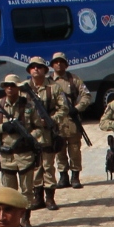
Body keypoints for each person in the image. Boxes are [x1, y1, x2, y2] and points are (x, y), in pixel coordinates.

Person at [22, 57, 67, 210]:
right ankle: (37, 197)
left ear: (45, 70)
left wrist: (51, 120)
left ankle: (50, 198)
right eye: (33, 67)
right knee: (35, 166)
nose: (36, 69)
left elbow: (64, 108)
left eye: (39, 67)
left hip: (48, 133)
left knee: (48, 166)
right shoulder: (24, 88)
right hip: (32, 133)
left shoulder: (54, 87)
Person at [0, 75, 43, 201]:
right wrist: (3, 127)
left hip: (25, 156)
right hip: (7, 157)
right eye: (7, 85)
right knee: (9, 194)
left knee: (27, 192)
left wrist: (29, 137)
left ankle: (25, 219)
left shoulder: (28, 106)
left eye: (12, 85)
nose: (9, 88)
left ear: (18, 88)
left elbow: (40, 128)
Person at [48, 52, 92, 190]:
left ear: (66, 64)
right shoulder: (48, 82)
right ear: (52, 65)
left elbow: (87, 95)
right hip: (57, 120)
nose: (59, 64)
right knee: (59, 149)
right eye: (56, 62)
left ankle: (75, 176)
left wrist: (78, 108)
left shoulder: (74, 80)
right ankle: (63, 176)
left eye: (61, 62)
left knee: (74, 150)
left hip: (72, 120)